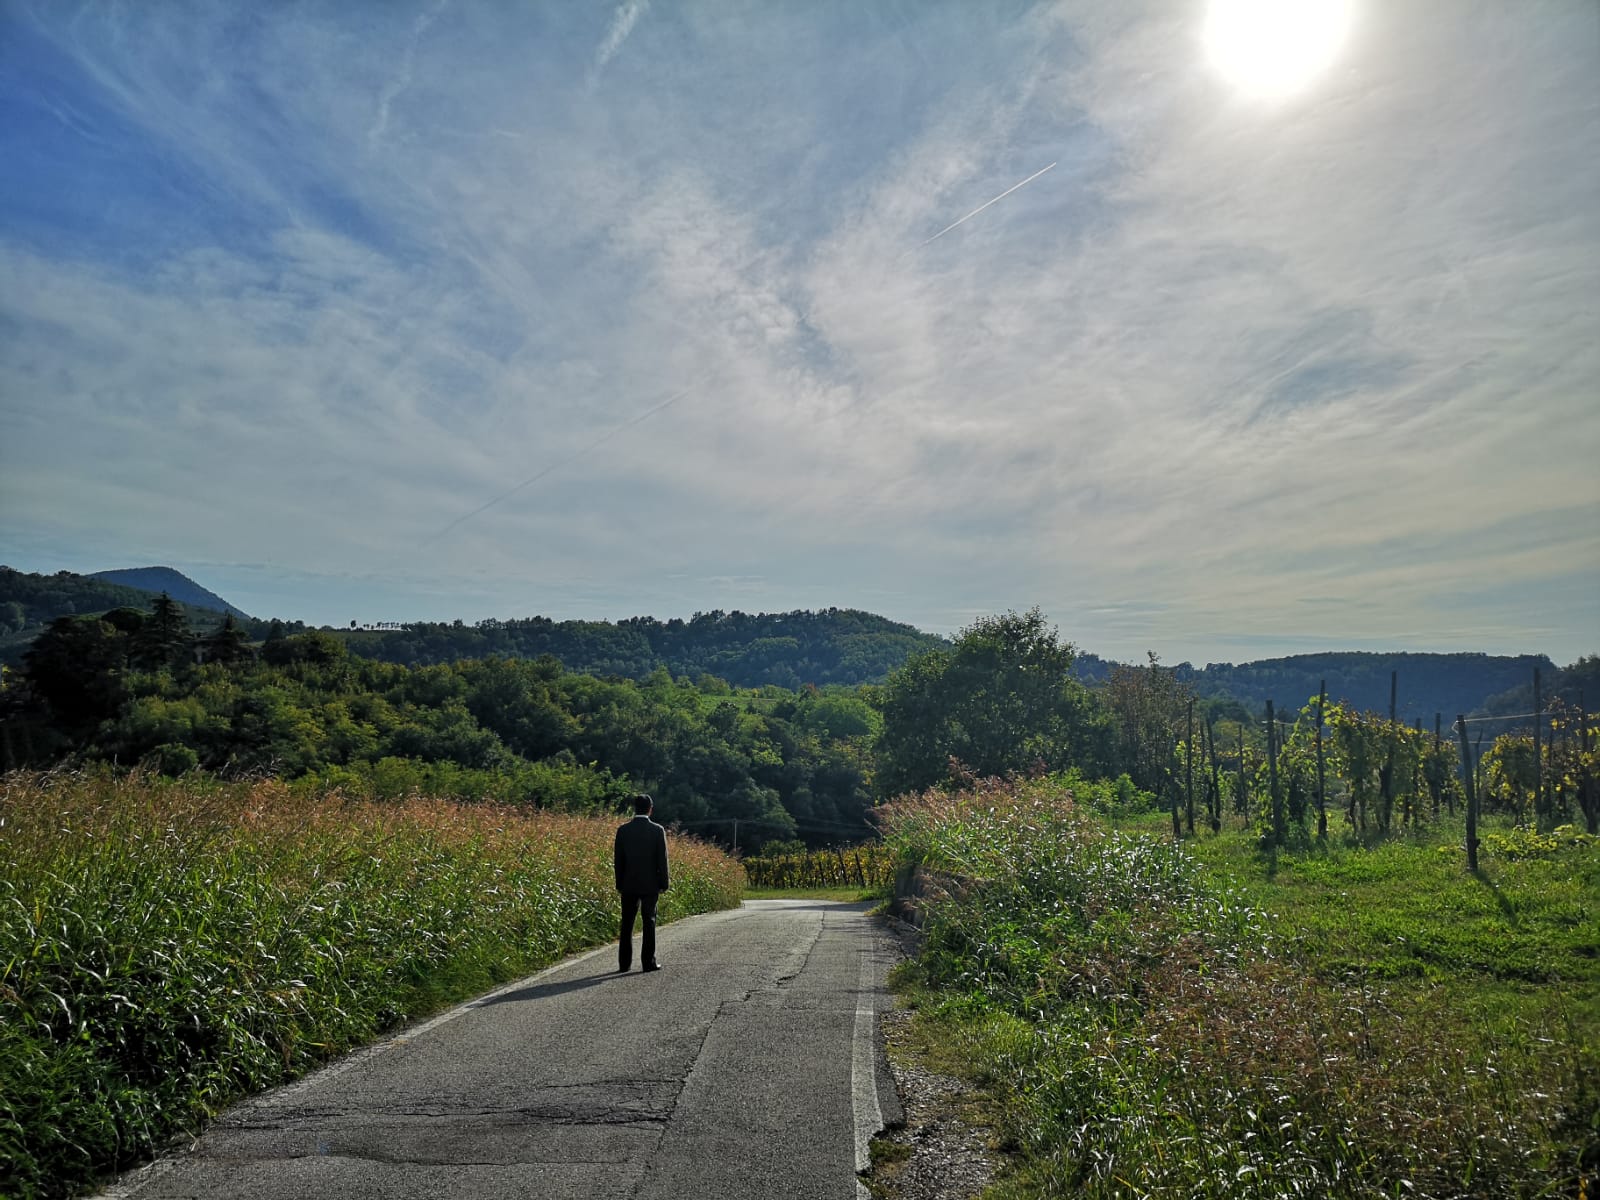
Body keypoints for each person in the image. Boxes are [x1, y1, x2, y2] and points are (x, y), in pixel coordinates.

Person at [614, 792, 670, 972]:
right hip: (650, 884)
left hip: (628, 884)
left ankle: (624, 963)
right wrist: (664, 883)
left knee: (627, 923)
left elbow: (618, 861)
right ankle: (648, 962)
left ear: (634, 808)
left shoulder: (623, 830)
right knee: (649, 921)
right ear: (650, 809)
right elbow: (662, 860)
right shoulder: (657, 830)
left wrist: (619, 883)